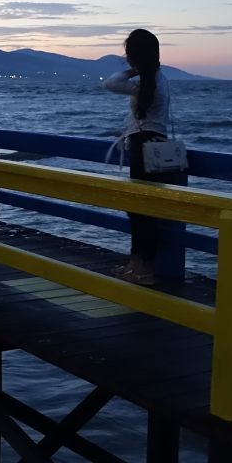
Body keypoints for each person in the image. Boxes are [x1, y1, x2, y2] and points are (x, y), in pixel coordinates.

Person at [102, 28, 176, 286]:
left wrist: (132, 70)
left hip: (142, 146)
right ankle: (138, 265)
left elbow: (110, 83)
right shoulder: (158, 79)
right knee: (145, 210)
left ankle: (142, 269)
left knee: (140, 210)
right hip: (156, 146)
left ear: (133, 56)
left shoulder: (145, 81)